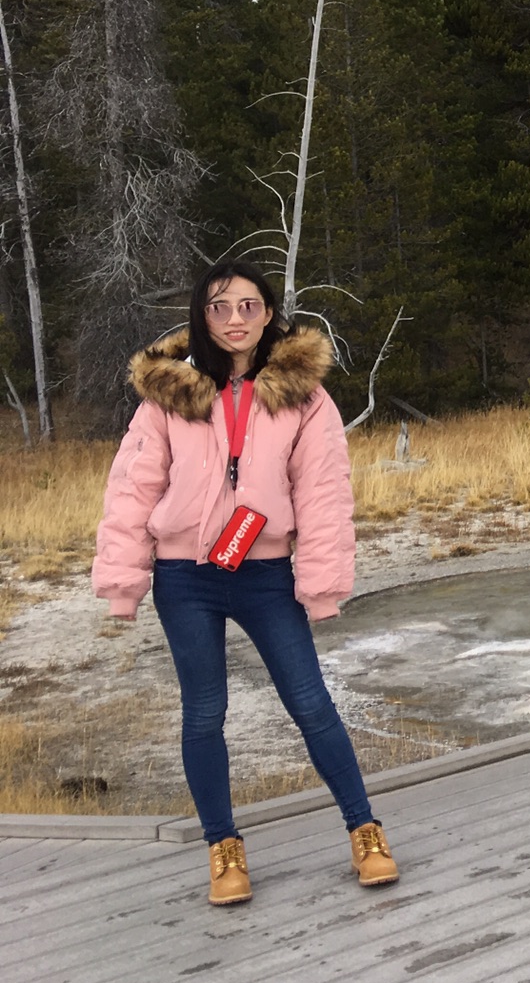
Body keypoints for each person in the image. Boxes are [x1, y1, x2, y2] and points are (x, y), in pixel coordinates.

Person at [92, 260, 397, 906]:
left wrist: (321, 583)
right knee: (205, 713)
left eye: (249, 306)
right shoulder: (168, 395)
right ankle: (223, 848)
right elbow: (131, 489)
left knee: (311, 702)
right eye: (220, 306)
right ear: (202, 316)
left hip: (264, 576)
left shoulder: (303, 397)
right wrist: (124, 582)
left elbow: (322, 494)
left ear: (269, 313)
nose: (235, 319)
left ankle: (365, 830)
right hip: (186, 577)